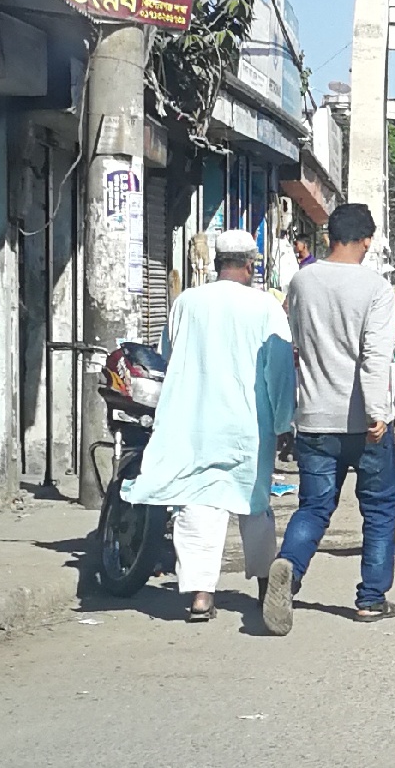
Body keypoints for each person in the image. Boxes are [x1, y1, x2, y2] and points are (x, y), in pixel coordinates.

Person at [123, 230, 294, 623]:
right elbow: (280, 370)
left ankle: (201, 596)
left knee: (197, 505)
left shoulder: (187, 303)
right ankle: (267, 585)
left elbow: (169, 355)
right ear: (251, 264)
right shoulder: (264, 306)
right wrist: (285, 421)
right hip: (248, 423)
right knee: (253, 504)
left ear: (217, 264)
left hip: (194, 422)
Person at [268, 200, 395, 628]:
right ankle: (370, 598)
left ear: (328, 237)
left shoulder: (302, 282)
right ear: (367, 240)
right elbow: (375, 355)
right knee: (378, 510)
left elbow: (296, 348)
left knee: (313, 507)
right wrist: (377, 411)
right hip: (365, 423)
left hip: (314, 419)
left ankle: (289, 565)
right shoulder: (375, 288)